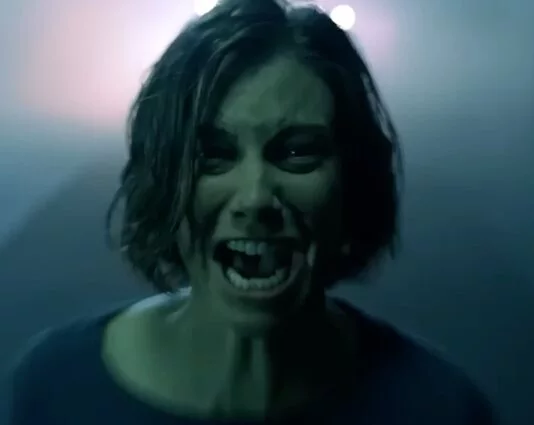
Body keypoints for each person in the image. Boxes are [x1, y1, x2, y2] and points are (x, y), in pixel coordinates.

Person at [7, 0, 495, 424]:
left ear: (354, 179)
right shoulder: (54, 390)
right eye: (213, 155)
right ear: (162, 180)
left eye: (297, 152)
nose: (255, 196)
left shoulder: (438, 410)